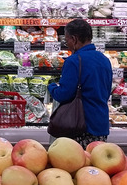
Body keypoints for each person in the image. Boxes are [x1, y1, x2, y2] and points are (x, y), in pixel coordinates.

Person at [47, 19, 112, 148]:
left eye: (67, 40)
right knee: (95, 165)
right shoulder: (104, 59)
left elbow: (64, 94)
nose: (67, 44)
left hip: (80, 125)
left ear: (74, 39)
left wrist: (52, 87)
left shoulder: (74, 61)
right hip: (100, 123)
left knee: (78, 165)